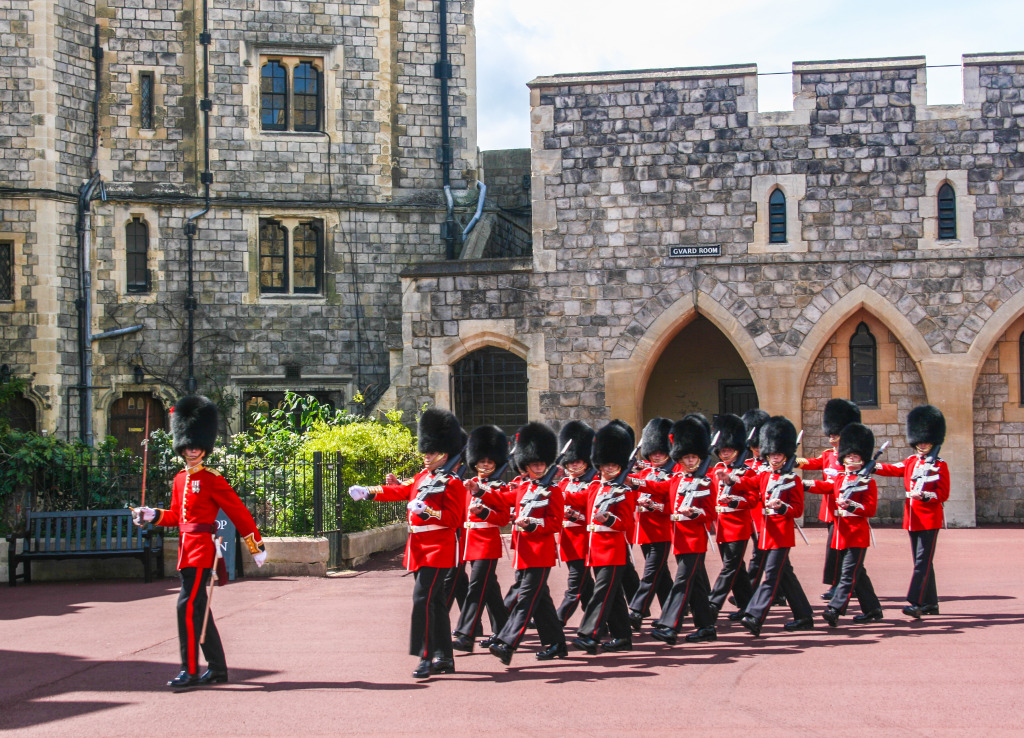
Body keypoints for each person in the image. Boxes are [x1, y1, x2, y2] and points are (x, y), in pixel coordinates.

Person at [132, 395, 267, 689]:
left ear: (204, 447)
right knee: (198, 609)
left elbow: (238, 511)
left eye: (196, 446)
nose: (192, 450)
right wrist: (152, 514)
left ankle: (190, 669)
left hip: (201, 551)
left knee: (187, 607)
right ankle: (217, 670)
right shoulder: (180, 478)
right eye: (188, 446)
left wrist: (255, 545)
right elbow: (177, 518)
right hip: (185, 550)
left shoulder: (211, 478)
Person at [348, 408, 467, 679]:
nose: (426, 455)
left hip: (439, 548)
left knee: (422, 600)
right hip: (418, 546)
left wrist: (429, 511)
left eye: (431, 451)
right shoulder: (423, 477)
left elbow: (453, 519)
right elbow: (400, 491)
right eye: (426, 450)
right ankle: (445, 657)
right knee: (434, 601)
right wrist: (369, 492)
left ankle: (425, 655)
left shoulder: (454, 483)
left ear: (445, 453)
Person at [478, 422, 567, 665]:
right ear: (526, 466)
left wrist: (533, 526)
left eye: (541, 463)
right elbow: (501, 498)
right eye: (534, 464)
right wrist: (479, 491)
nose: (538, 467)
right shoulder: (524, 488)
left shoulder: (554, 492)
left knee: (526, 599)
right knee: (541, 601)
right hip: (524, 553)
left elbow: (555, 524)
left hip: (541, 553)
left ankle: (507, 642)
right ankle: (557, 643)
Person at [719, 415, 814, 638]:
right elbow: (748, 483)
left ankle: (755, 615)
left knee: (771, 575)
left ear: (786, 455)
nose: (774, 458)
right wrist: (730, 480)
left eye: (778, 454)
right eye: (771, 454)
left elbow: (797, 510)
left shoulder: (793, 480)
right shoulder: (765, 476)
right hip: (767, 533)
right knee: (785, 575)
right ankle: (804, 616)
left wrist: (782, 507)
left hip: (781, 534)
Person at [565, 420, 637, 654]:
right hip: (595, 549)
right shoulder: (595, 488)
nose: (608, 470)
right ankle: (623, 637)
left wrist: (609, 520)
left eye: (613, 466)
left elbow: (627, 523)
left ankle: (589, 634)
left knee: (601, 593)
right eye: (605, 465)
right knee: (614, 596)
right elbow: (577, 501)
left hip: (613, 549)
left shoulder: (623, 491)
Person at [875, 405, 950, 619]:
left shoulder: (940, 465)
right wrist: (873, 466)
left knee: (921, 563)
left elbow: (943, 494)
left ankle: (916, 602)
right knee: (923, 563)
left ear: (932, 441)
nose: (922, 444)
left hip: (929, 519)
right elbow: (894, 469)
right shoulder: (911, 461)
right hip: (912, 519)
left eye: (925, 441)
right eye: (919, 441)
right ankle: (930, 604)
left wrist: (925, 497)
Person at [649, 415, 718, 646]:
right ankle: (706, 627)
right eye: (686, 457)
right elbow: (659, 488)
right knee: (696, 585)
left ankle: (670, 626)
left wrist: (695, 514)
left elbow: (710, 513)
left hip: (695, 539)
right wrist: (635, 482)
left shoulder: (707, 481)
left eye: (693, 457)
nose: (689, 461)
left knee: (682, 583)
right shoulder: (677, 478)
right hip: (678, 538)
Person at [809, 423, 883, 626]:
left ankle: (835, 608)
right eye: (849, 455)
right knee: (858, 573)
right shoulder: (840, 479)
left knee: (848, 573)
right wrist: (804, 484)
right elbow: (825, 486)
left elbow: (870, 509)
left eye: (856, 456)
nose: (851, 458)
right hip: (841, 533)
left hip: (857, 533)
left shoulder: (868, 482)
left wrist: (852, 505)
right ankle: (873, 609)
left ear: (862, 459)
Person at [454, 425, 511, 651]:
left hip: (487, 544)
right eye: (482, 461)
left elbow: (504, 518)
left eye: (490, 462)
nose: (485, 465)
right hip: (469, 543)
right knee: (490, 589)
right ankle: (504, 631)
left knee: (476, 587)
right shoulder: (466, 486)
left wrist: (485, 510)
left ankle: (466, 634)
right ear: (474, 463)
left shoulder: (499, 488)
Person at [797, 398, 861, 600]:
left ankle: (840, 584)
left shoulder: (851, 458)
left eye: (836, 435)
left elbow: (834, 485)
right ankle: (842, 582)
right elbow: (815, 463)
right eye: (831, 434)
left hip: (846, 508)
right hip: (830, 509)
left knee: (842, 549)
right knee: (835, 548)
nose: (832, 438)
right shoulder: (828, 455)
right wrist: (795, 461)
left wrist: (807, 485)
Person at [625, 418, 675, 631]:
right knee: (661, 574)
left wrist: (641, 488)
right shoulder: (644, 473)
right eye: (653, 452)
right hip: (645, 530)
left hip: (663, 530)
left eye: (661, 452)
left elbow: (664, 492)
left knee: (651, 572)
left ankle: (637, 610)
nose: (656, 455)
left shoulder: (673, 475)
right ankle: (672, 611)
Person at [707, 413, 758, 620]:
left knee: (730, 567)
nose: (725, 454)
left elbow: (753, 500)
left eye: (728, 450)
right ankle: (748, 606)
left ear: (737, 450)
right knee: (737, 567)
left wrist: (735, 500)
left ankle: (712, 603)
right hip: (721, 525)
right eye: (722, 450)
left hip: (738, 524)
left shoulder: (747, 472)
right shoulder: (716, 469)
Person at [554, 420, 597, 625]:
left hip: (583, 541)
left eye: (578, 461)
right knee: (586, 586)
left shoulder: (593, 483)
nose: (574, 465)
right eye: (571, 462)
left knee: (574, 586)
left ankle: (557, 620)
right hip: (568, 541)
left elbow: (584, 500)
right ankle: (598, 622)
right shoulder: (563, 483)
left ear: (586, 462)